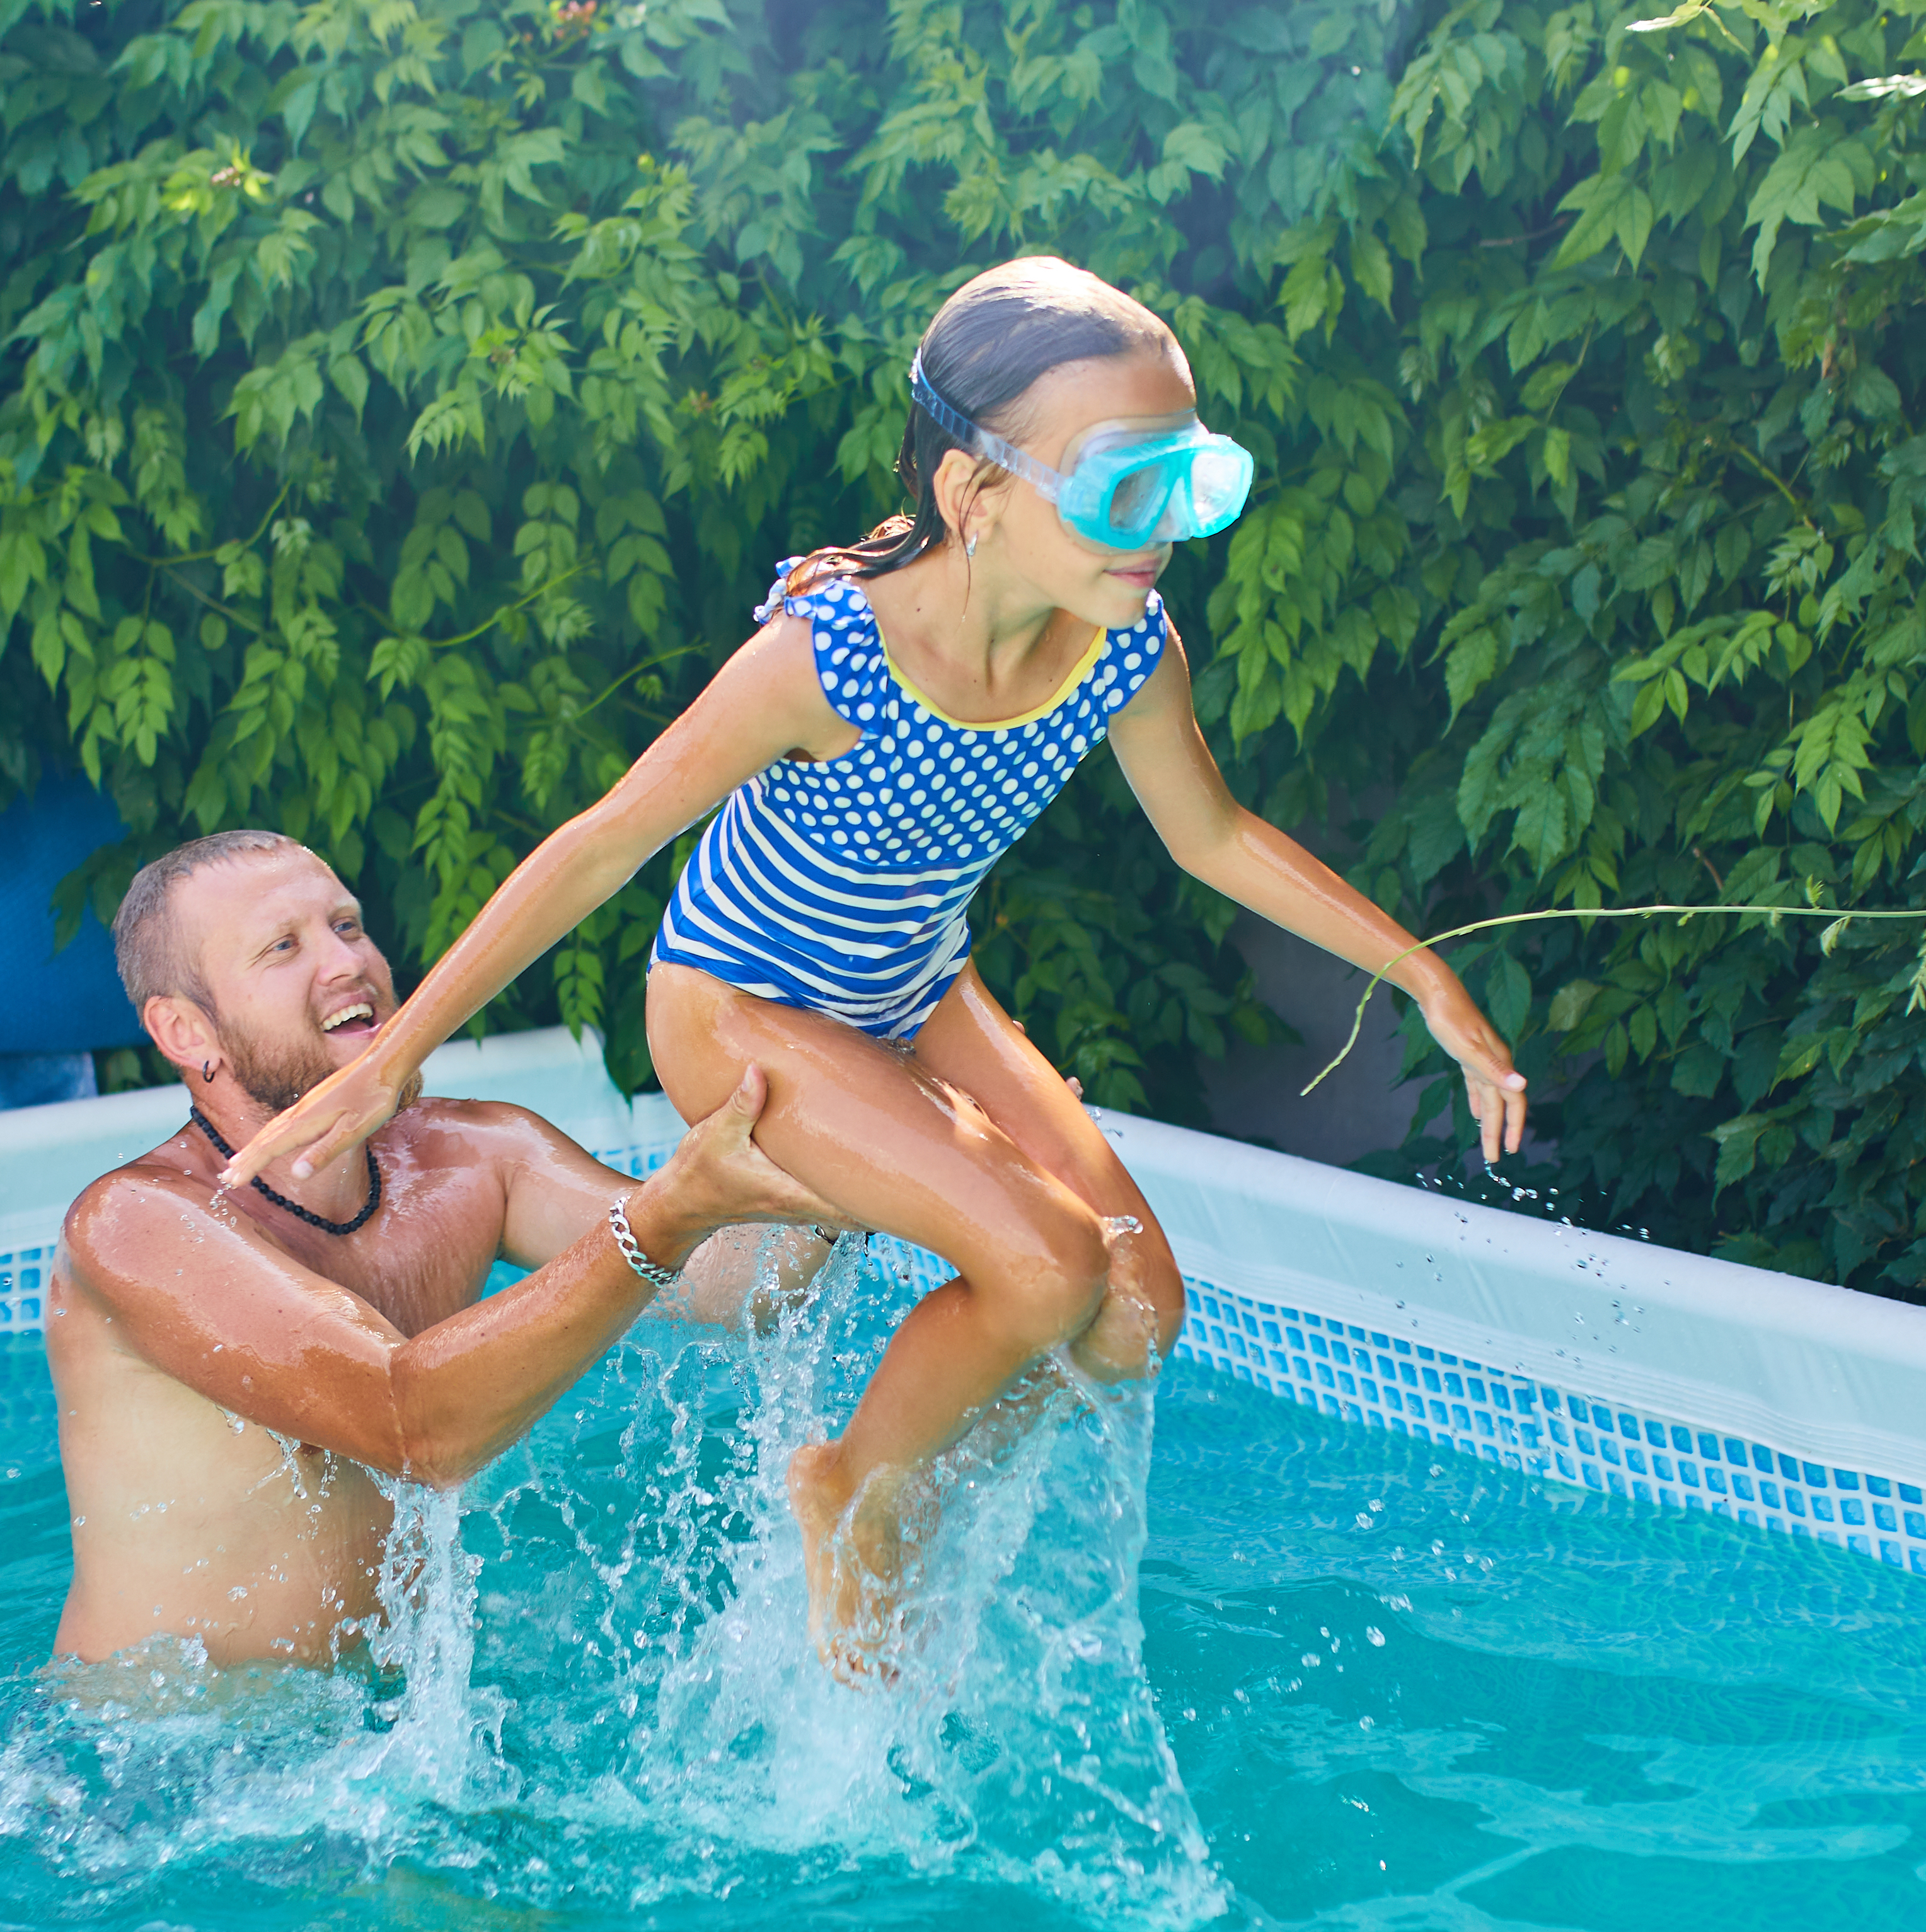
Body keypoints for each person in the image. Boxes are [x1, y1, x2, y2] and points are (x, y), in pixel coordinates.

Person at [219, 255, 1531, 1668]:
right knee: (1042, 1271)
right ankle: (853, 1491)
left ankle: (917, 1461)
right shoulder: (826, 658)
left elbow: (1211, 835)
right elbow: (602, 847)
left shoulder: (1123, 638)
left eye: (1187, 482)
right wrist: (400, 1054)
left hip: (916, 989)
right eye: (1120, 486)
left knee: (1138, 1310)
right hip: (741, 1006)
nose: (1161, 531)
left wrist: (1420, 973)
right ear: (976, 495)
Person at [47, 829, 836, 1668]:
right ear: (185, 1030)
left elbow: (742, 1287)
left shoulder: (469, 1158)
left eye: (346, 926)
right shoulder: (136, 1227)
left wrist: (842, 1116)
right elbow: (413, 1426)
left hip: (384, 1736)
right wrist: (665, 1215)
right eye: (283, 946)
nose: (346, 963)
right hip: (166, 1768)